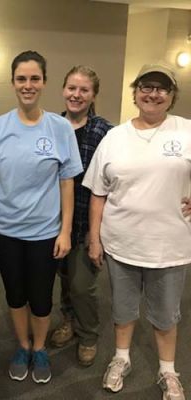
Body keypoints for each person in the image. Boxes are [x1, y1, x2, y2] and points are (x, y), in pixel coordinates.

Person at [0, 51, 83, 384]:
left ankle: (39, 348)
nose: (28, 85)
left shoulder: (60, 128)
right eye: (21, 79)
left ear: (44, 82)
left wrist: (65, 232)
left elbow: (67, 185)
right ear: (12, 83)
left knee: (41, 298)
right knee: (15, 295)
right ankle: (23, 346)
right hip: (5, 232)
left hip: (45, 233)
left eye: (35, 78)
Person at [83, 63, 190, 400]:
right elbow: (98, 193)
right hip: (121, 243)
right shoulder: (115, 137)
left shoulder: (186, 130)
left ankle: (168, 371)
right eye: (146, 87)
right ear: (135, 93)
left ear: (171, 95)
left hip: (170, 246)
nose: (152, 94)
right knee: (123, 310)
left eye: (161, 88)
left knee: (165, 316)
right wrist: (94, 238)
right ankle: (121, 358)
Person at [50, 66, 113, 367]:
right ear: (63, 90)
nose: (76, 95)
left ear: (93, 95)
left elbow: (112, 182)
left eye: (84, 90)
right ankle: (69, 320)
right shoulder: (50, 126)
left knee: (82, 285)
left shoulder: (105, 132)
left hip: (87, 223)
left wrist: (96, 232)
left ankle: (88, 334)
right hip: (51, 222)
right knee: (64, 278)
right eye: (72, 88)